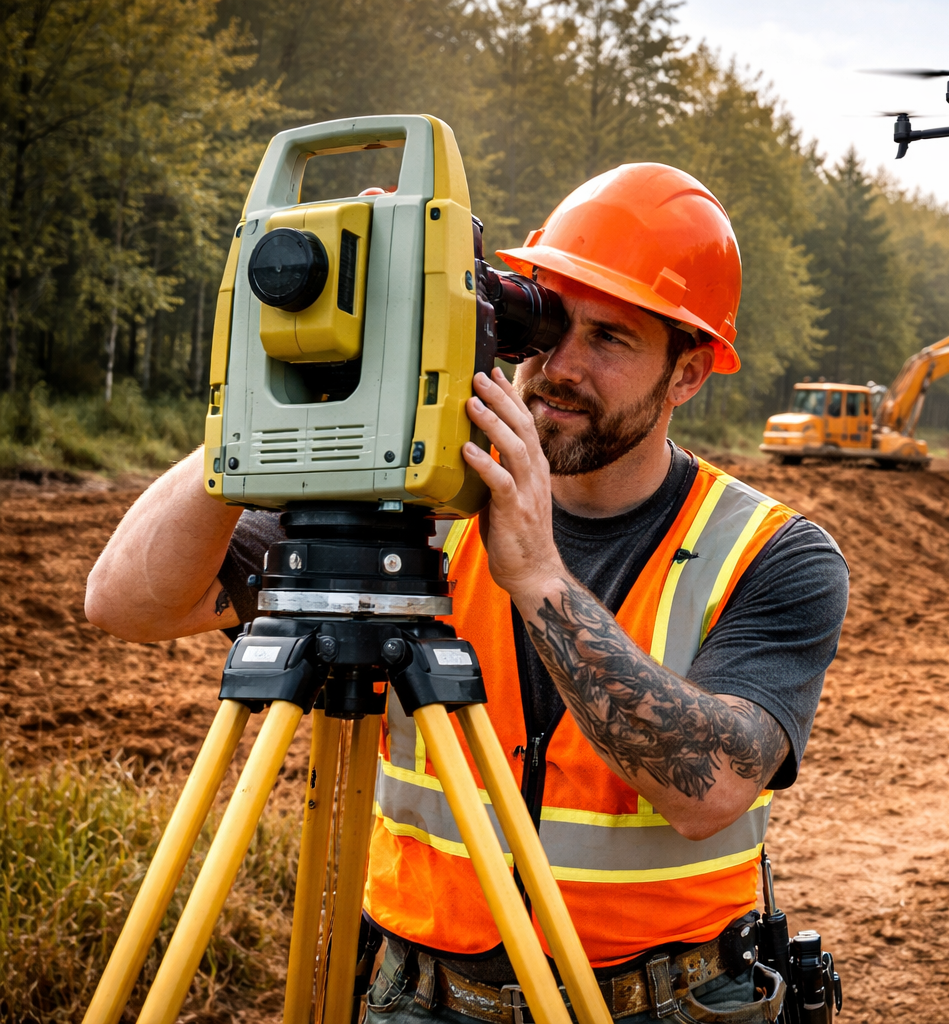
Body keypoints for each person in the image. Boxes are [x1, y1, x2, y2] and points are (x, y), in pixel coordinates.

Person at [85, 163, 848, 1024]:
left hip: (663, 1004)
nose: (557, 367)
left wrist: (537, 576)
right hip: (424, 1001)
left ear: (689, 373)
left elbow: (708, 790)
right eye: (546, 325)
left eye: (610, 338)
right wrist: (299, 378)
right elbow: (125, 603)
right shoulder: (421, 507)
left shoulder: (772, 554)